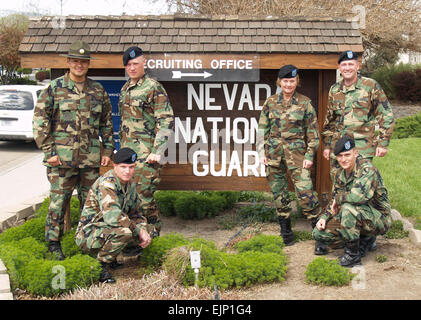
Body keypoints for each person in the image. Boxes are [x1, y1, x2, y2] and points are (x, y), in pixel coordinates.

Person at [33, 40, 114, 260]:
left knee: (91, 202)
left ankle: (88, 243)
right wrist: (50, 153)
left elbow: (106, 125)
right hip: (61, 161)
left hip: (89, 160)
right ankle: (53, 244)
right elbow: (40, 123)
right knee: (58, 203)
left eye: (83, 61)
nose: (79, 65)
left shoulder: (97, 91)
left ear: (88, 64)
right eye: (75, 61)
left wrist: (107, 153)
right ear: (68, 62)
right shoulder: (53, 89)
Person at [321, 50, 395, 251]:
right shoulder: (334, 89)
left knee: (363, 191)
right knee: (340, 187)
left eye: (351, 64)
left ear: (358, 66)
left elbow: (386, 115)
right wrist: (328, 145)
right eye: (343, 65)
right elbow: (330, 120)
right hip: (339, 150)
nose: (347, 68)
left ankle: (368, 236)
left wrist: (383, 142)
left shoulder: (370, 86)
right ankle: (347, 230)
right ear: (339, 68)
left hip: (363, 148)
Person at [258, 64, 321, 246]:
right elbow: (262, 130)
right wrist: (262, 152)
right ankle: (286, 232)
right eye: (285, 81)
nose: (288, 84)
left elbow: (313, 134)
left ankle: (320, 234)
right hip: (273, 155)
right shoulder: (270, 103)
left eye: (292, 81)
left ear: (296, 82)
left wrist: (309, 156)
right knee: (279, 194)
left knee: (306, 193)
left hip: (298, 157)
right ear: (280, 82)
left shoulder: (304, 103)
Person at [118, 46, 174, 236]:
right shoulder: (126, 88)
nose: (132, 68)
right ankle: (147, 236)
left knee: (143, 198)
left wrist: (157, 150)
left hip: (146, 156)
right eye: (128, 65)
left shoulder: (152, 87)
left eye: (135, 64)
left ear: (144, 64)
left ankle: (151, 236)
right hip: (129, 158)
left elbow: (166, 119)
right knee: (133, 199)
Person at [75, 148, 152, 283]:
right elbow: (113, 217)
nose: (127, 171)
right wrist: (138, 230)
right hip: (88, 233)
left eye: (131, 167)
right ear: (115, 166)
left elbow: (136, 212)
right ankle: (100, 266)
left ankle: (115, 255)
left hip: (106, 229)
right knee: (125, 232)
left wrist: (143, 228)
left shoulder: (129, 183)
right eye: (123, 167)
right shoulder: (107, 183)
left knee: (149, 229)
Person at [313, 135, 392, 267]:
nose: (343, 160)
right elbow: (334, 198)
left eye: (347, 155)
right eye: (340, 156)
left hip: (378, 218)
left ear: (355, 153)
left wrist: (339, 199)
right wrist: (324, 218)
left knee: (347, 208)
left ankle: (353, 255)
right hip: (354, 215)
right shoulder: (339, 174)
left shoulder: (367, 170)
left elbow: (357, 198)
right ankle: (363, 239)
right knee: (319, 234)